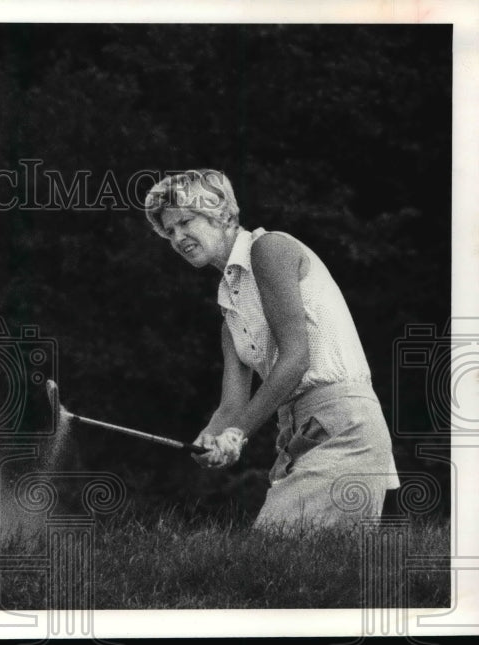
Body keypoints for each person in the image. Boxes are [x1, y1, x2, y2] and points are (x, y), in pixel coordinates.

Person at [143, 169, 400, 530]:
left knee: (270, 557)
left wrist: (237, 434)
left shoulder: (268, 249)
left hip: (345, 427)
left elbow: (296, 359)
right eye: (169, 231)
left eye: (186, 221)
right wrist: (211, 438)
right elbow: (232, 405)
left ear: (223, 213)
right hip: (297, 434)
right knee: (295, 574)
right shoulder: (229, 309)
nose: (179, 237)